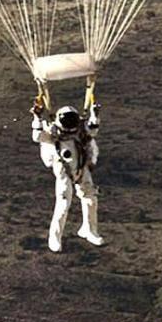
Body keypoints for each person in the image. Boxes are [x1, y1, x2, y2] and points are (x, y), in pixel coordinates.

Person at [31, 93, 103, 251]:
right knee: (63, 203)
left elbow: (92, 130)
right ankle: (55, 237)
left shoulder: (80, 132)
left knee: (90, 199)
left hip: (81, 168)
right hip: (64, 171)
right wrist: (38, 118)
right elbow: (37, 136)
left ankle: (90, 229)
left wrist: (94, 114)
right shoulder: (54, 134)